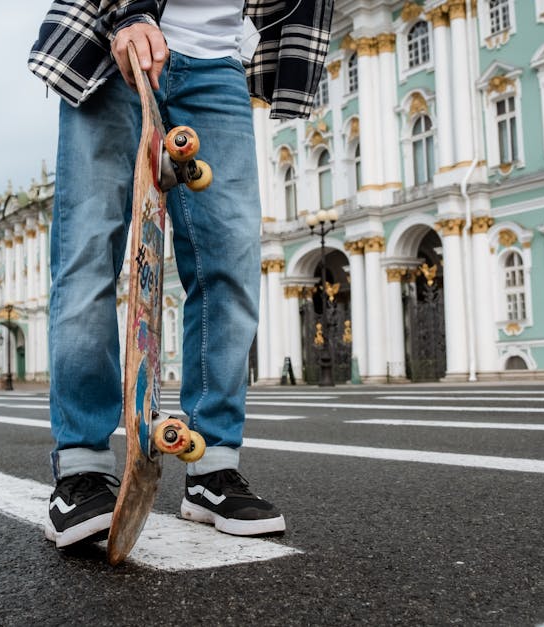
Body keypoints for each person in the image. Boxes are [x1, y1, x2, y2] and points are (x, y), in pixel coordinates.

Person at [29, 0, 333, 548]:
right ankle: (80, 468)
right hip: (110, 44)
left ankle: (212, 465)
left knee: (231, 262)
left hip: (218, 62)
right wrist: (127, 13)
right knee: (87, 256)